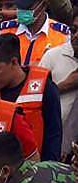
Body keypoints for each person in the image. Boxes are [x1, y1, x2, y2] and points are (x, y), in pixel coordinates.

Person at [0, 33, 62, 159]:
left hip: (35, 165)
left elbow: (54, 135)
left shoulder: (45, 88)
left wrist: (48, 167)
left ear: (14, 62)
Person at [0, 0, 71, 66]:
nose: (23, 12)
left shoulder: (62, 35)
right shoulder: (5, 30)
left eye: (28, 8)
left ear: (43, 5)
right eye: (20, 8)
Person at [40, 12, 78, 152]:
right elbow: (35, 97)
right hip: (54, 145)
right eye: (74, 30)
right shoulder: (53, 56)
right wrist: (62, 87)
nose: (76, 36)